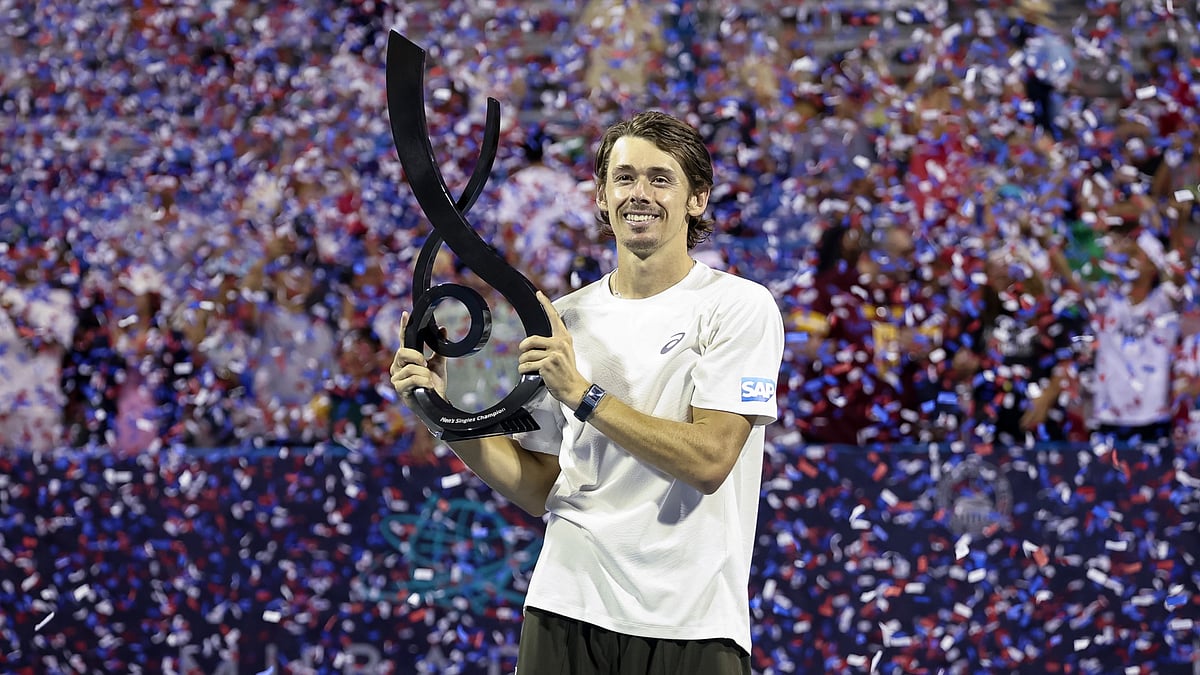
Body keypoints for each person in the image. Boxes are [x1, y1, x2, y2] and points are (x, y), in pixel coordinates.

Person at [390, 110, 784, 674]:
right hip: (565, 606)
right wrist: (441, 415)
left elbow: (711, 458)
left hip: (691, 621)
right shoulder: (566, 316)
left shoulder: (738, 307)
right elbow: (541, 485)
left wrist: (583, 393)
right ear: (601, 196)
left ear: (697, 199)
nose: (639, 193)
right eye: (624, 178)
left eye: (660, 178)